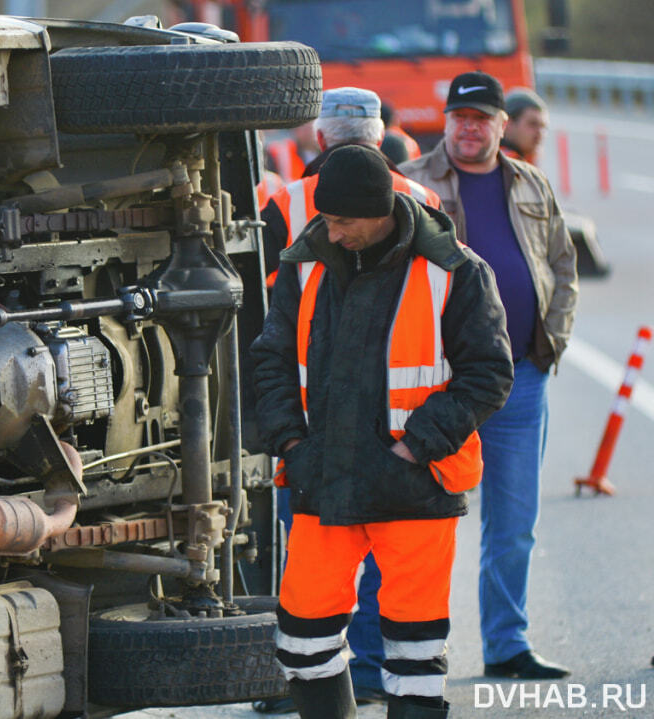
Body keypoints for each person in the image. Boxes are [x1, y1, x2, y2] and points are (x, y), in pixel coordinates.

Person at [252, 144, 514, 718]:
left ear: (379, 210)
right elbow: (270, 359)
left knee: (415, 656)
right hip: (323, 477)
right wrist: (292, 443)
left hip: (415, 486)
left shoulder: (456, 271)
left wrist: (414, 446)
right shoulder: (304, 265)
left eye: (344, 221)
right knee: (300, 641)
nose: (334, 232)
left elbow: (489, 375)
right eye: (327, 219)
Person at [401, 71, 578, 681]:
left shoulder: (531, 182)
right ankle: (411, 652)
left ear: (504, 126)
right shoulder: (415, 185)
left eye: (482, 118)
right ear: (446, 121)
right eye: (460, 117)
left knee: (514, 522)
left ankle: (507, 646)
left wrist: (551, 339)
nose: (469, 128)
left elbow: (561, 263)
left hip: (523, 379)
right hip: (437, 383)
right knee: (416, 521)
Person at [260, 87, 440, 287]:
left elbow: (254, 272)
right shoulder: (424, 197)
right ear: (380, 139)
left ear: (320, 138)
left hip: (308, 318)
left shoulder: (288, 199)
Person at [500, 88, 550, 164]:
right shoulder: (499, 165)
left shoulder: (524, 164)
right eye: (533, 124)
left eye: (543, 127)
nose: (540, 132)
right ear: (508, 124)